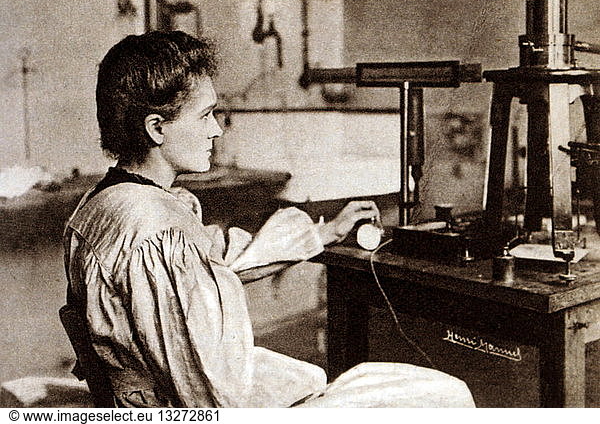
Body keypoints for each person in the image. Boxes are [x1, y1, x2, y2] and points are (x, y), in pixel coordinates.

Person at [62, 30, 475, 408]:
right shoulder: (154, 228)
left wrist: (324, 232)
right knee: (441, 393)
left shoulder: (108, 203)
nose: (217, 131)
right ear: (157, 128)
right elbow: (206, 393)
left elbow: (219, 263)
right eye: (206, 115)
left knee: (348, 378)